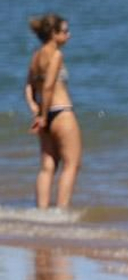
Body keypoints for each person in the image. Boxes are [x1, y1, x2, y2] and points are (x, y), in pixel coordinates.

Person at [23, 13, 82, 210]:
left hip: (45, 112)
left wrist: (36, 109)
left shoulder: (36, 56)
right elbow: (48, 86)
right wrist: (43, 117)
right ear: (53, 33)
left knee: (47, 167)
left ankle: (42, 212)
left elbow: (29, 87)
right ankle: (61, 211)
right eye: (65, 31)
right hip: (61, 112)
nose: (69, 35)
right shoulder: (56, 55)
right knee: (71, 164)